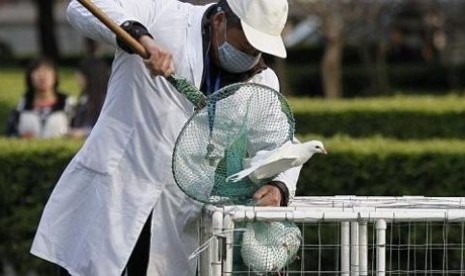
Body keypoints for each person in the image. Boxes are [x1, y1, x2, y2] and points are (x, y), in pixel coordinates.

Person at [31, 0, 301, 275]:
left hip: (177, 216)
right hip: (114, 196)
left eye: (258, 50)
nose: (251, 55)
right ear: (220, 21)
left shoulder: (262, 81)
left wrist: (279, 187)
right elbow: (82, 7)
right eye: (245, 46)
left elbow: (281, 145)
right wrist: (140, 38)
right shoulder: (163, 15)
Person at [5, 57, 74, 138]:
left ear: (55, 76)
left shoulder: (68, 103)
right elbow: (9, 135)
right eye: (37, 72)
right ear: (30, 77)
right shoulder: (21, 106)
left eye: (47, 71)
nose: (42, 76)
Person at [68, 57, 110, 138]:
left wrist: (83, 132)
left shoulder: (103, 100)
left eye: (80, 74)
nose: (76, 77)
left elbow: (106, 128)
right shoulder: (85, 98)